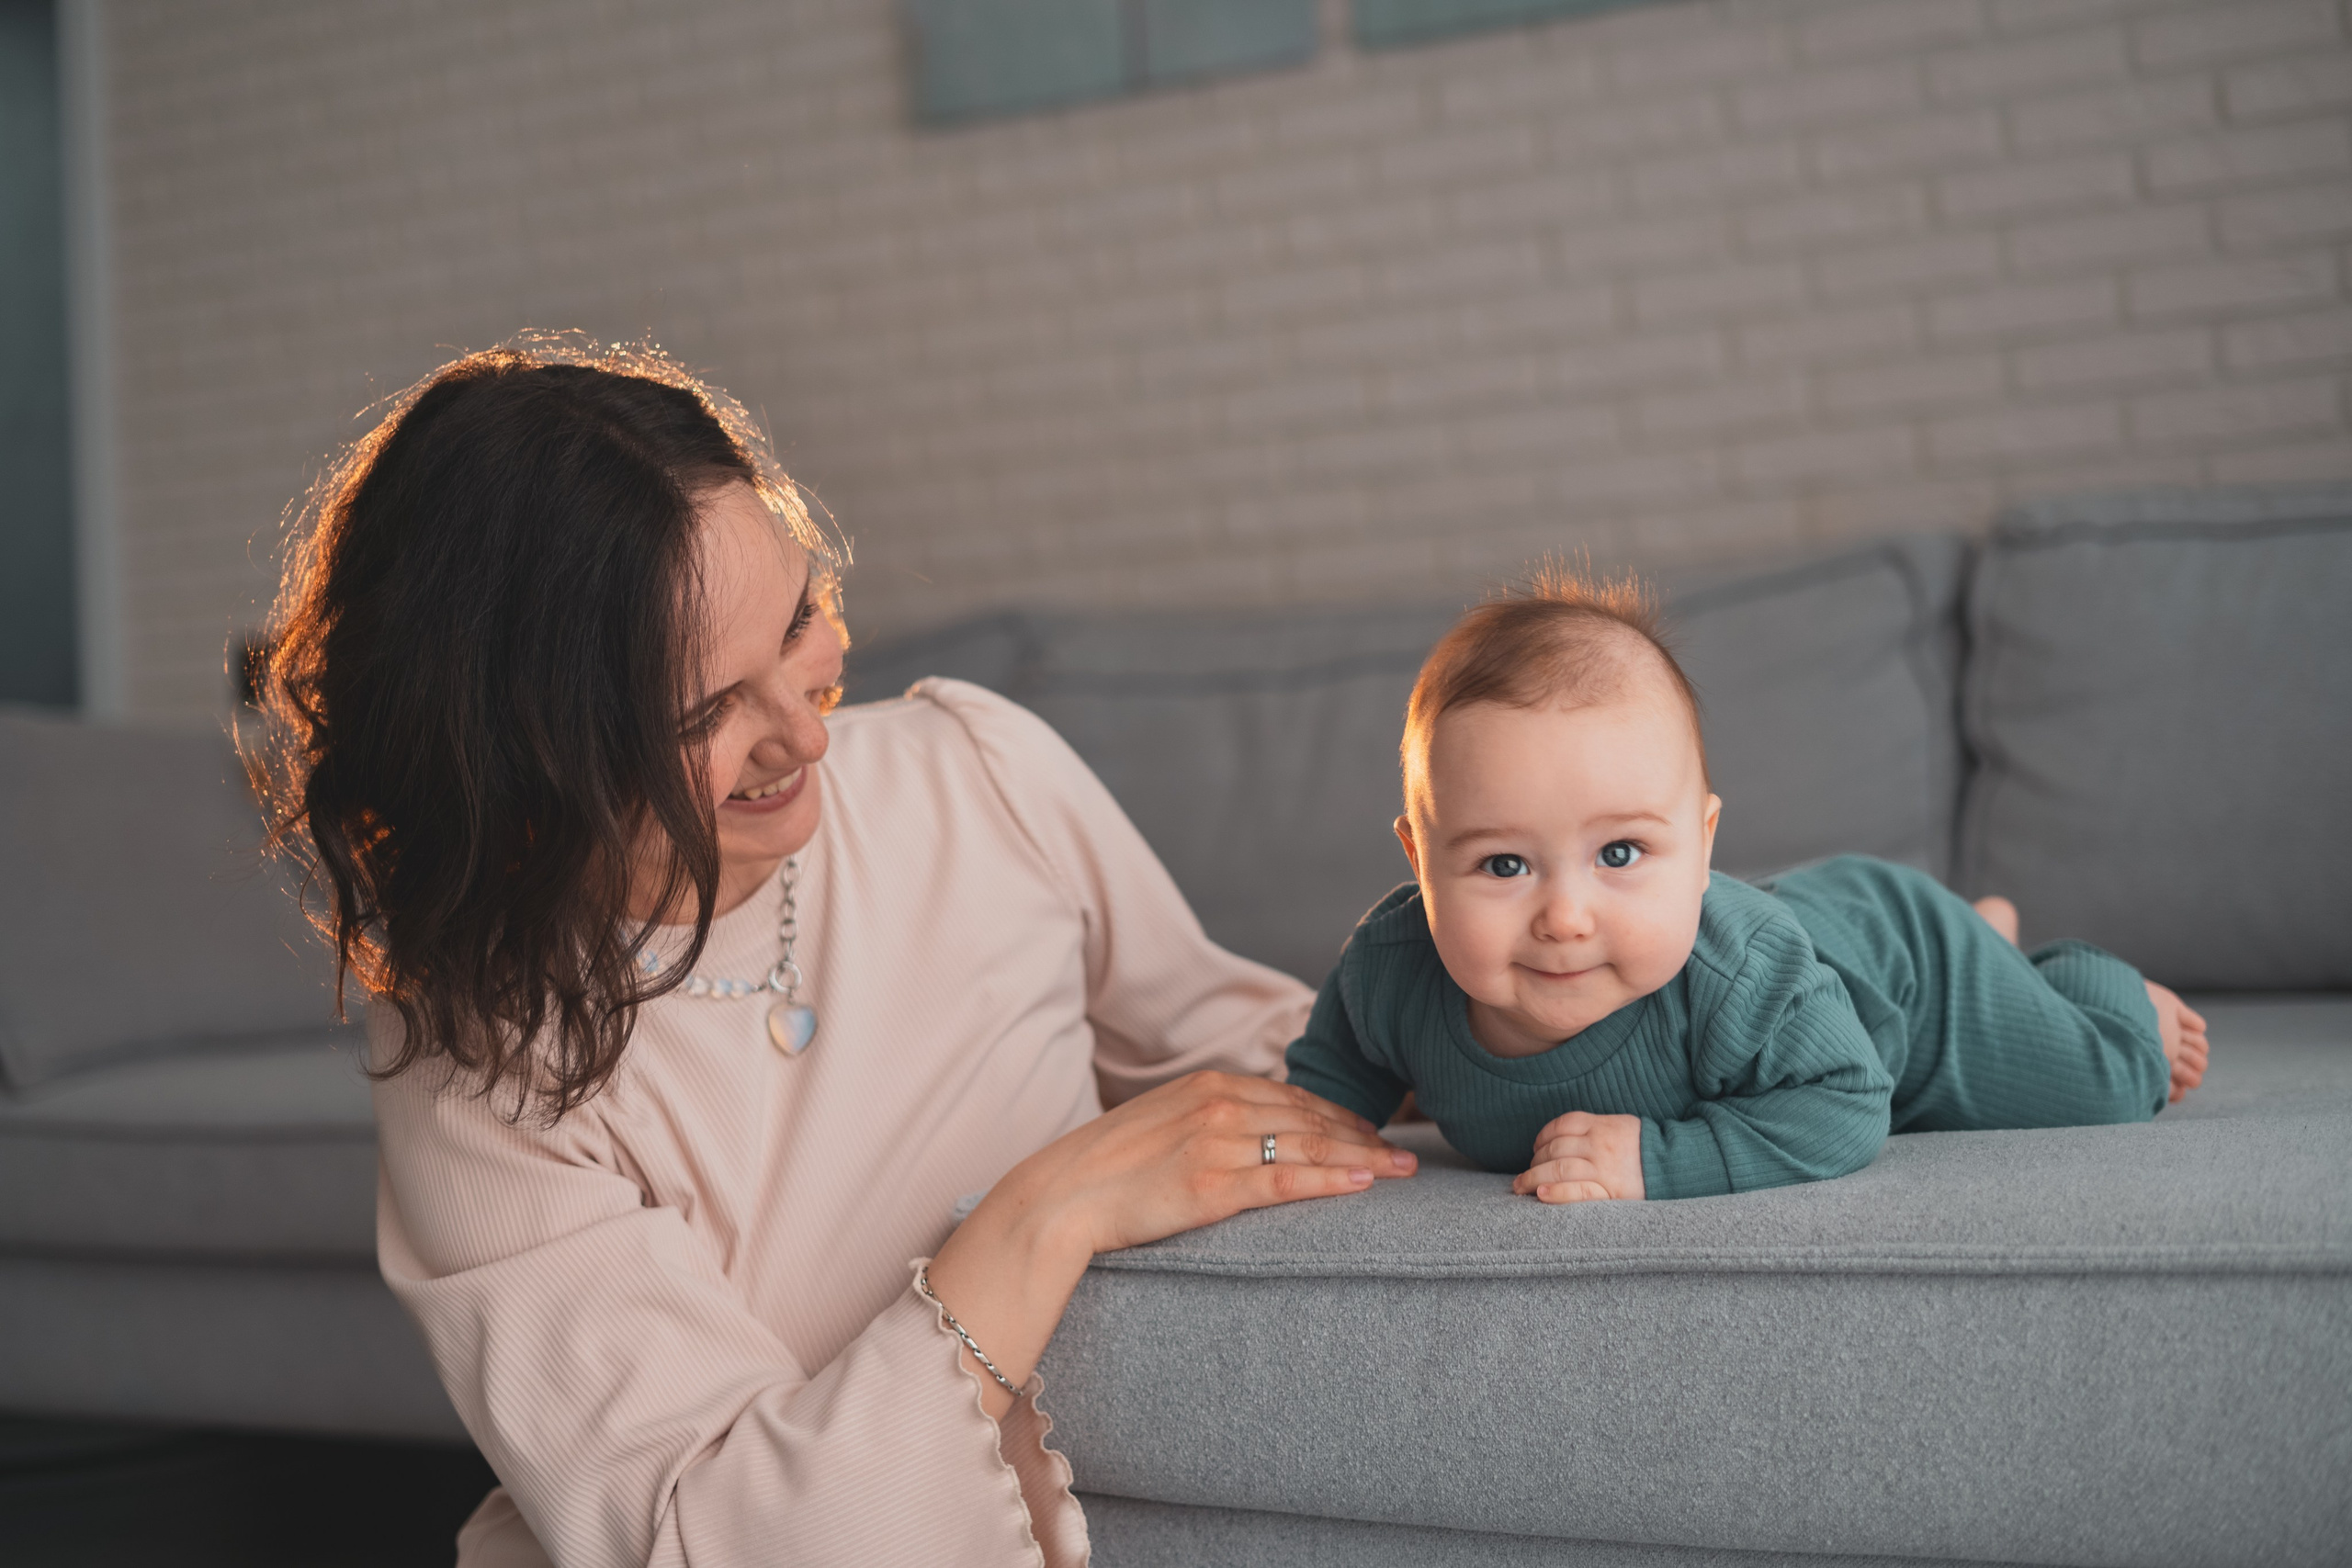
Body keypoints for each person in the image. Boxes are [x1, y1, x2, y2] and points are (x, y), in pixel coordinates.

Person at [254, 335, 1418, 1568]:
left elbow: (1290, 1066)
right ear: (529, 764)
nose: (803, 737)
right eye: (704, 712)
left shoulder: (974, 771)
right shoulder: (477, 1059)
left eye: (800, 619)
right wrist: (1046, 1208)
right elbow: (734, 1540)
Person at [1283, 570, 2210, 1203]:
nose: (1564, 919)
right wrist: (1321, 1130)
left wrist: (1659, 1161)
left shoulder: (1741, 977)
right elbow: (1336, 1072)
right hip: (1807, 938)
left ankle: (2101, 995)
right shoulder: (1390, 964)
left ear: (1700, 843)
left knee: (2105, 1085)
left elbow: (1849, 1103)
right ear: (1418, 863)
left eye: (1619, 855)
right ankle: (1992, 933)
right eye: (1502, 865)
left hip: (1904, 978)